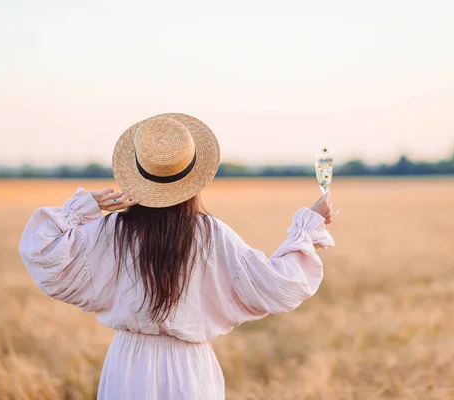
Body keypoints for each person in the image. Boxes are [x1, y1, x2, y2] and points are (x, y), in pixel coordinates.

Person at [19, 113, 337, 399]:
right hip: (190, 370)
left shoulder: (111, 229)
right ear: (193, 180)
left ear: (138, 176)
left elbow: (41, 251)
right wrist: (308, 228)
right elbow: (278, 284)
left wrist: (84, 206)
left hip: (128, 366)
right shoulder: (211, 234)